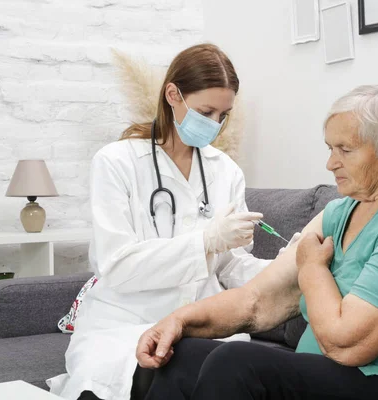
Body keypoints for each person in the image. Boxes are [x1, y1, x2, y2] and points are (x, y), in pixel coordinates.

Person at [136, 85, 378, 400]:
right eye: (330, 148)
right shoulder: (338, 213)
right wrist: (178, 321)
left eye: (345, 150)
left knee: (238, 362)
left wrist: (311, 268)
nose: (331, 163)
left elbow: (348, 345)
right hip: (336, 378)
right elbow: (256, 301)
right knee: (181, 354)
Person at [47, 43, 276, 400]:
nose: (215, 124)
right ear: (173, 94)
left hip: (201, 326)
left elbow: (230, 266)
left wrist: (283, 268)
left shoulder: (225, 171)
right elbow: (117, 265)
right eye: (206, 111)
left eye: (223, 115)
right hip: (123, 325)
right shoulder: (117, 162)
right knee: (144, 375)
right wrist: (205, 241)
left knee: (205, 369)